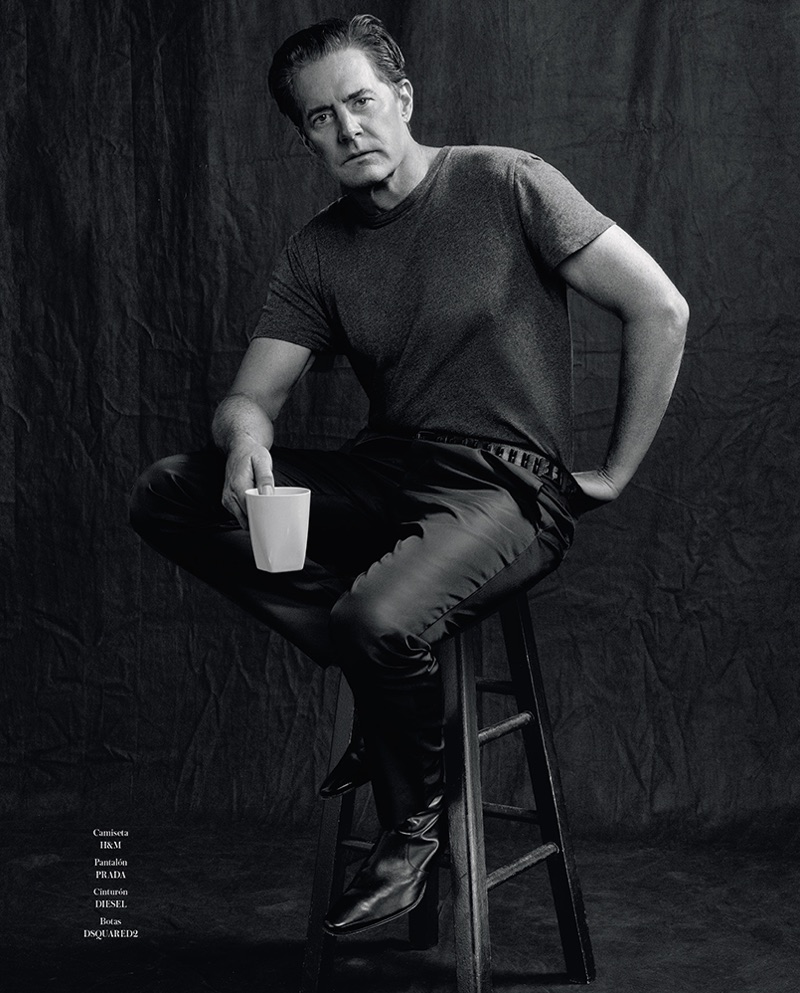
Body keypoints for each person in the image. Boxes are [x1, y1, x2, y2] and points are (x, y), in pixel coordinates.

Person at [130, 14, 688, 937]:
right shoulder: (318, 250)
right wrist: (245, 437)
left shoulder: (507, 182)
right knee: (166, 489)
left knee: (378, 620)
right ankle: (388, 684)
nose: (348, 128)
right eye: (321, 118)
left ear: (403, 98)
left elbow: (659, 308)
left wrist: (617, 470)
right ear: (306, 138)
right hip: (388, 473)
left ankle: (410, 840)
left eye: (360, 101)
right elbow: (250, 396)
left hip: (504, 488)